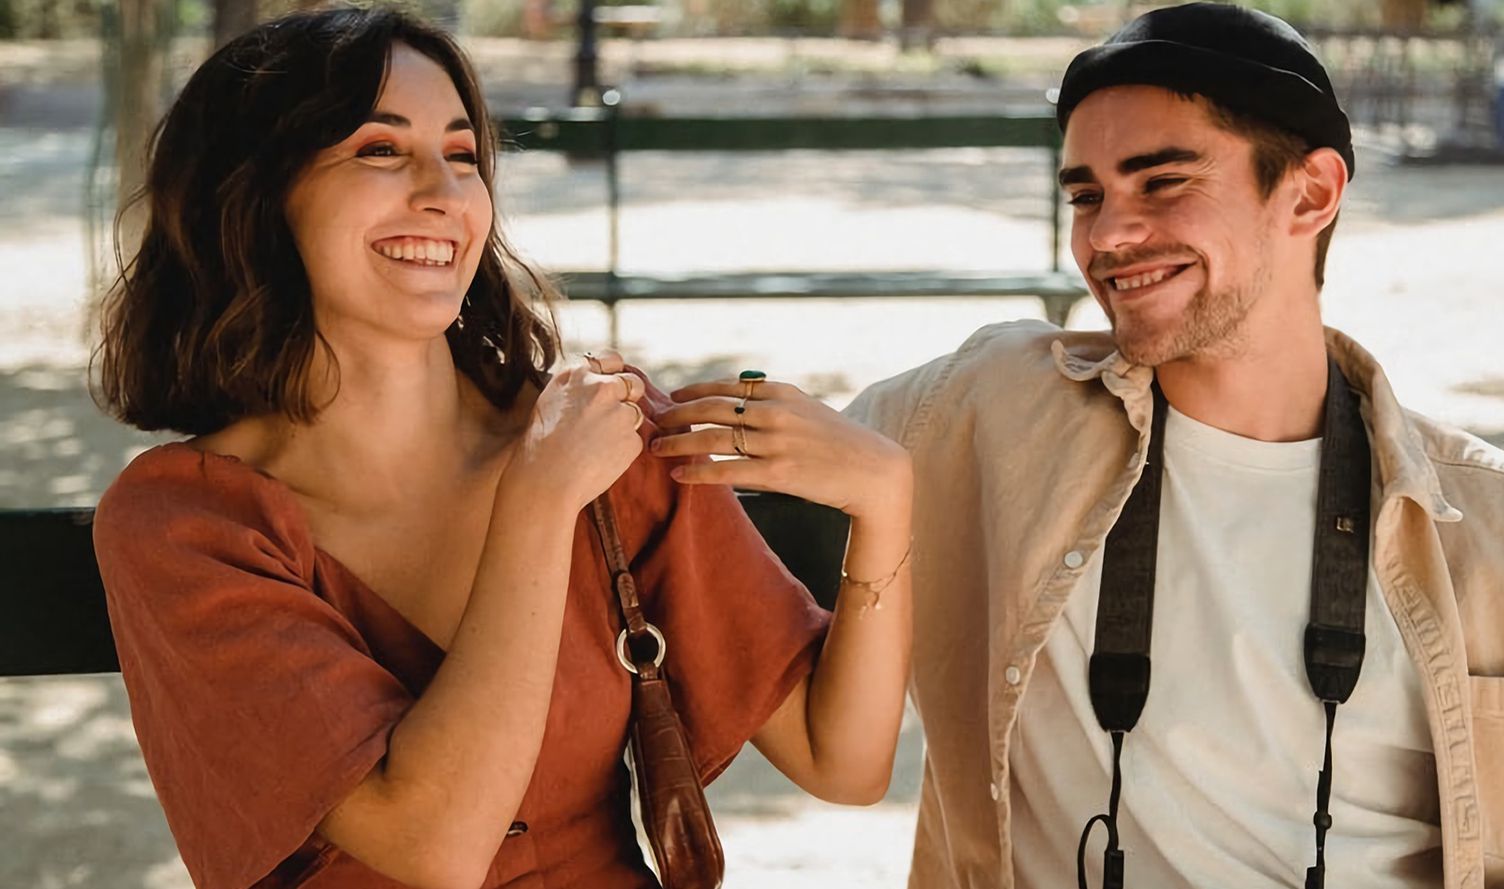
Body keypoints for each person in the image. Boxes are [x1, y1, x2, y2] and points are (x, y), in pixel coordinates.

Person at [845, 4, 1504, 888]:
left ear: (1312, 193)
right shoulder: (994, 404)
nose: (1105, 236)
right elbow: (737, 468)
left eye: (1160, 181)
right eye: (1086, 195)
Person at [89, 7, 914, 888]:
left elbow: (844, 759)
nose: (443, 193)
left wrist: (889, 498)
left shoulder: (602, 435)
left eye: (463, 155)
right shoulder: (185, 525)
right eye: (379, 149)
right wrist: (536, 501)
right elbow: (435, 844)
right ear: (254, 196)